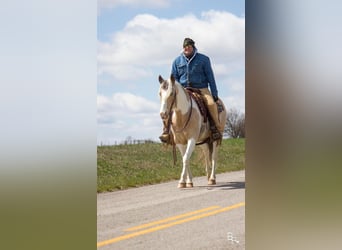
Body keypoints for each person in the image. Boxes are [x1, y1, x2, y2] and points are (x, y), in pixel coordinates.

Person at [159, 37, 223, 143]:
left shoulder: (204, 59)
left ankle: (216, 129)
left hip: (201, 89)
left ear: (193, 47)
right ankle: (166, 132)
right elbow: (173, 80)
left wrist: (214, 93)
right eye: (185, 47)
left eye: (189, 46)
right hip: (184, 90)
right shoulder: (177, 61)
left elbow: (210, 77)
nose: (186, 48)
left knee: (211, 104)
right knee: (169, 106)